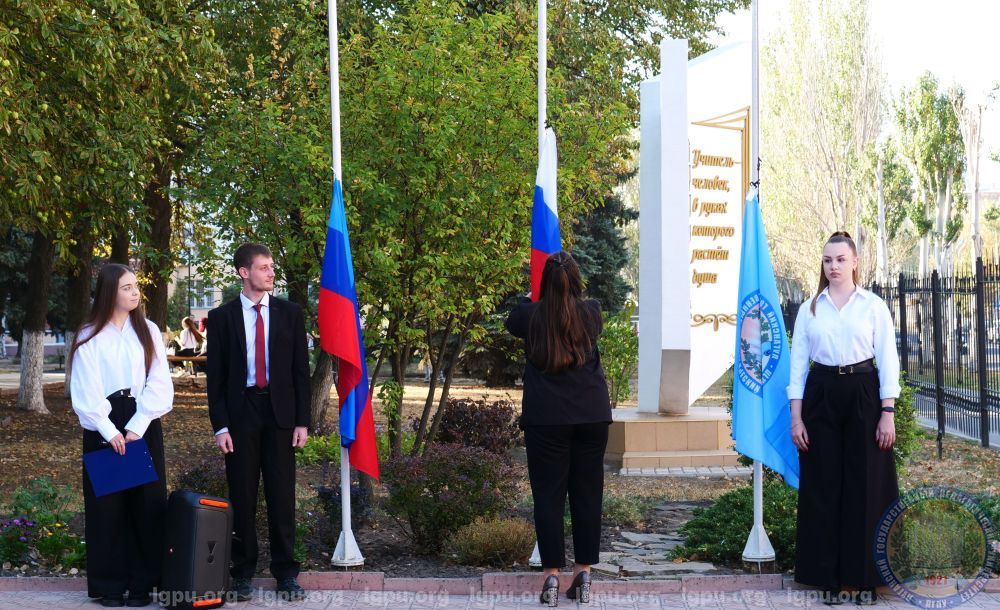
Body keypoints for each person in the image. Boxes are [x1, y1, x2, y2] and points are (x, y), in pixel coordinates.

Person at [788, 231, 900, 606]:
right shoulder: (810, 309)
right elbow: (797, 367)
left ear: (854, 262)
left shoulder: (873, 306)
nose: (833, 266)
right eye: (827, 260)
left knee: (865, 485)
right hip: (821, 394)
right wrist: (796, 418)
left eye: (839, 259)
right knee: (823, 486)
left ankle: (862, 578)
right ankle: (827, 578)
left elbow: (888, 360)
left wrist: (887, 412)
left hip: (863, 393)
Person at [505, 251, 612, 607]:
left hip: (547, 418)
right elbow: (578, 310)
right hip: (591, 415)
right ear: (577, 282)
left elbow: (513, 320)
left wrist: (530, 297)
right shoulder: (592, 313)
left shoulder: (529, 316)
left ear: (544, 283)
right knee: (587, 495)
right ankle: (583, 574)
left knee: (548, 497)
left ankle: (551, 576)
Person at [206, 243, 311, 601]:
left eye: (272, 267)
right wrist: (220, 426)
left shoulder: (290, 313)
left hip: (281, 415)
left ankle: (286, 574)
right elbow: (216, 378)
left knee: (282, 496)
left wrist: (302, 422)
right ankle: (242, 574)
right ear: (244, 272)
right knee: (242, 495)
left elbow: (301, 372)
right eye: (264, 267)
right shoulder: (222, 318)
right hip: (241, 415)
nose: (271, 273)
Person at [68, 264, 174, 608]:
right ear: (109, 292)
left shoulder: (148, 330)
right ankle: (110, 586)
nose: (135, 292)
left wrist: (138, 425)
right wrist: (110, 429)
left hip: (142, 422)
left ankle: (143, 583)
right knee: (107, 509)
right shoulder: (89, 335)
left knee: (147, 504)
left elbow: (159, 380)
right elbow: (85, 388)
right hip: (103, 424)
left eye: (136, 286)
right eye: (126, 287)